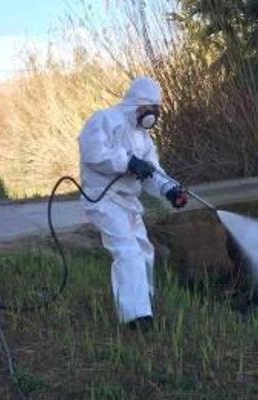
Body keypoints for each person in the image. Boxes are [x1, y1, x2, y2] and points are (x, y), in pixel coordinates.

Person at [78, 76, 188, 329]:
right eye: (150, 108)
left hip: (128, 202)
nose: (153, 115)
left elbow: (153, 172)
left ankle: (143, 301)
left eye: (157, 109)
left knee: (143, 250)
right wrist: (126, 161)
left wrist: (170, 190)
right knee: (127, 251)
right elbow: (93, 153)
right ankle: (136, 317)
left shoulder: (144, 139)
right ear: (136, 104)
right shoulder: (106, 119)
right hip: (103, 199)